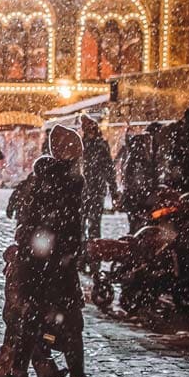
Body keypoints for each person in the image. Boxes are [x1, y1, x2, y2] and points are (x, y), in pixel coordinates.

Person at [0, 125, 112, 377]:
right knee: (69, 325)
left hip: (38, 262)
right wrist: (69, 253)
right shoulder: (68, 183)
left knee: (33, 322)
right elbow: (62, 227)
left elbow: (32, 222)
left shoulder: (42, 181)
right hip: (54, 264)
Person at [80, 116, 119, 271]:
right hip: (86, 189)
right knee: (83, 225)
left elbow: (108, 168)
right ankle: (84, 258)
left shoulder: (97, 146)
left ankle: (92, 258)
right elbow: (108, 168)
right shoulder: (85, 145)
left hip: (94, 189)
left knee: (92, 225)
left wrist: (114, 189)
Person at [122, 134, 158, 233]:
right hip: (140, 198)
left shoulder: (131, 159)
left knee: (135, 224)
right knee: (140, 224)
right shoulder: (142, 160)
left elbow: (129, 181)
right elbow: (144, 179)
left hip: (135, 198)